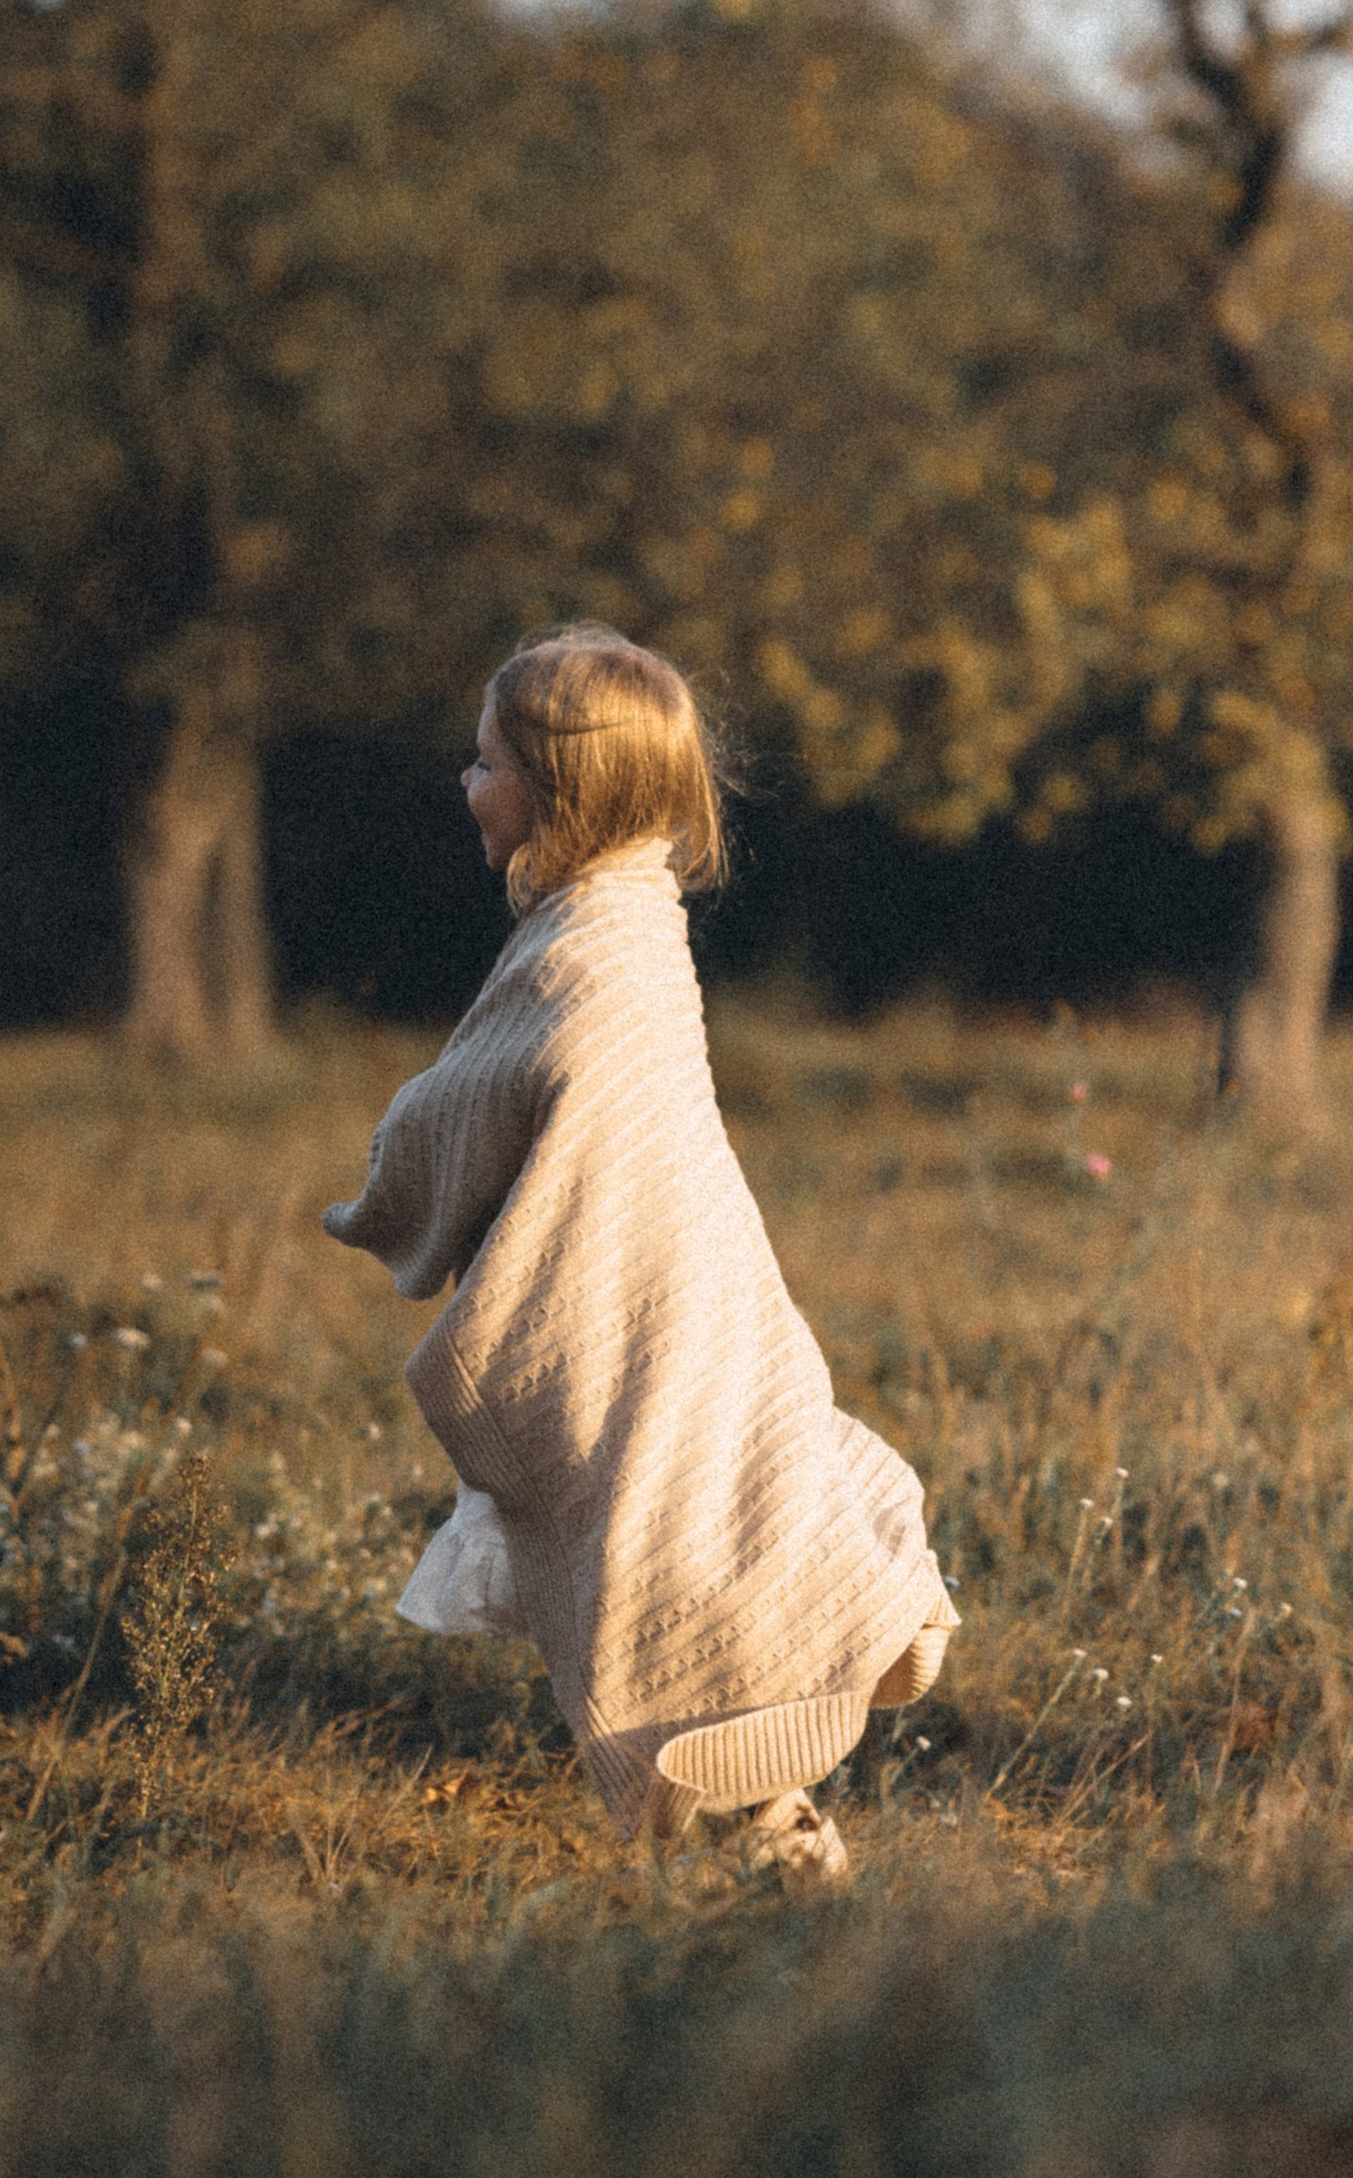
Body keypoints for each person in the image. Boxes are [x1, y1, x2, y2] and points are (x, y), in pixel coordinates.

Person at [322, 623, 955, 1879]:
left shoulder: (588, 949)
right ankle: (754, 1833)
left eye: (487, 760)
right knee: (694, 1537)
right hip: (686, 1299)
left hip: (659, 1308)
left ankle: (759, 1835)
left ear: (564, 790)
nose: (467, 782)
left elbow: (469, 1100)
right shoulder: (626, 918)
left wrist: (381, 1192)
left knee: (676, 1549)